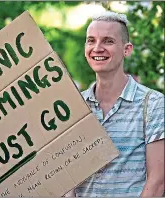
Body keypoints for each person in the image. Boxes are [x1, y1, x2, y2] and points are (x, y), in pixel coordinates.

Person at [66, 11, 164, 197]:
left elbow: (157, 182)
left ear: (126, 49)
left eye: (108, 41)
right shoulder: (75, 106)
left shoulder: (153, 104)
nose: (97, 48)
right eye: (91, 40)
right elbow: (68, 178)